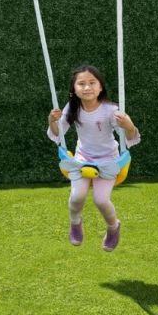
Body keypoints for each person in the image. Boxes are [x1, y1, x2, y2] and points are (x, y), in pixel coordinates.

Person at [48, 64, 140, 252]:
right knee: (76, 197)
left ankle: (113, 227)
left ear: (100, 87)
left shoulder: (110, 109)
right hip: (82, 158)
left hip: (108, 159)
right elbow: (59, 134)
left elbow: (129, 138)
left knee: (101, 200)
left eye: (92, 83)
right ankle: (75, 223)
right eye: (81, 84)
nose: (87, 87)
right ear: (74, 89)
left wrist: (129, 126)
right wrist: (52, 120)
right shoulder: (72, 108)